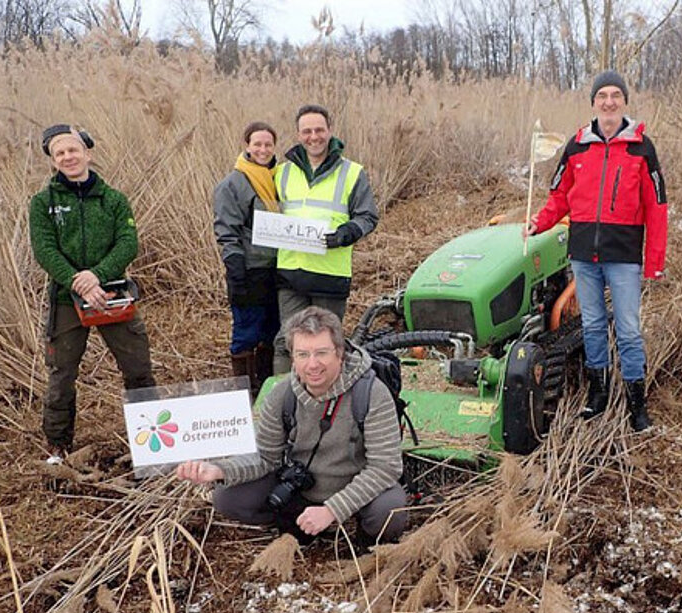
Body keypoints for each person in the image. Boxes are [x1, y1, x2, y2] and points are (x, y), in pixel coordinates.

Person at [176, 306, 407, 550]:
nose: (313, 364)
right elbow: (265, 457)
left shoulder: (371, 393)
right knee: (228, 498)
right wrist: (218, 469)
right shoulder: (281, 394)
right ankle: (293, 525)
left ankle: (366, 543)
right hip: (301, 487)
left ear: (340, 353)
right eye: (303, 354)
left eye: (322, 353)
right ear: (292, 357)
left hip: (355, 486)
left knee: (390, 509)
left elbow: (385, 467)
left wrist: (333, 510)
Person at [525, 70, 668, 431]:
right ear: (593, 102)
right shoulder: (576, 147)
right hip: (584, 254)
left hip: (623, 256)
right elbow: (559, 196)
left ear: (623, 102)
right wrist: (539, 224)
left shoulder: (641, 148)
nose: (608, 101)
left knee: (629, 330)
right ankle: (597, 396)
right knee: (591, 326)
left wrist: (654, 261)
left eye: (615, 95)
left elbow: (657, 208)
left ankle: (637, 404)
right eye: (602, 95)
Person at [29, 124, 155, 464]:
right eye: (60, 153)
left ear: (88, 154)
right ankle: (58, 447)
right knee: (61, 375)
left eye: (73, 150)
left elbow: (128, 243)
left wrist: (97, 277)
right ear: (53, 162)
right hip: (66, 300)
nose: (68, 157)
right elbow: (44, 249)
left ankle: (153, 442)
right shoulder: (42, 204)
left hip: (112, 294)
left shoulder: (114, 199)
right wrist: (77, 281)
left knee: (138, 368)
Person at [271, 104, 379, 374]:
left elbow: (368, 217)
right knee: (288, 342)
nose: (313, 136)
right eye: (306, 131)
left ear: (330, 131)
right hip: (290, 274)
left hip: (329, 275)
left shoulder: (352, 172)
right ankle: (282, 402)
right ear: (298, 135)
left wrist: (344, 234)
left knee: (326, 345)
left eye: (319, 130)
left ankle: (330, 404)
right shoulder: (282, 172)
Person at [213, 120, 282, 395]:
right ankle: (245, 390)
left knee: (272, 330)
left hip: (279, 268)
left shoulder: (282, 178)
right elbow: (226, 230)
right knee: (246, 332)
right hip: (249, 269)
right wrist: (235, 269)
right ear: (247, 146)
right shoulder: (232, 184)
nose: (263, 150)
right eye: (257, 144)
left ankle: (266, 386)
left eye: (268, 144)